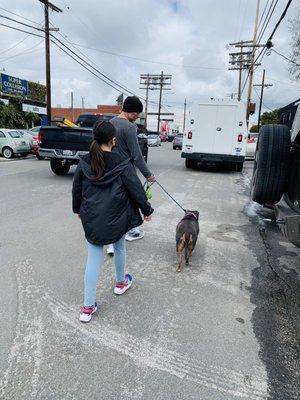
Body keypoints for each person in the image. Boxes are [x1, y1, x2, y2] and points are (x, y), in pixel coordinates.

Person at [72, 120, 153, 323]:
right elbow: (135, 188)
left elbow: (77, 189)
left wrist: (77, 209)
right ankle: (120, 283)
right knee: (119, 246)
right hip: (118, 216)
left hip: (91, 216)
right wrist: (147, 209)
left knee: (94, 258)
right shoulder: (122, 162)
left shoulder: (84, 161)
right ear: (113, 139)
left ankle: (88, 307)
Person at [105, 96, 155, 253]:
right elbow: (137, 155)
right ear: (132, 112)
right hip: (125, 173)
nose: (137, 117)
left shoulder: (109, 123)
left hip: (108, 171)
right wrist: (148, 175)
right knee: (128, 204)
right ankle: (128, 233)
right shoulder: (129, 127)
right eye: (137, 114)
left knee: (112, 204)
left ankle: (111, 243)